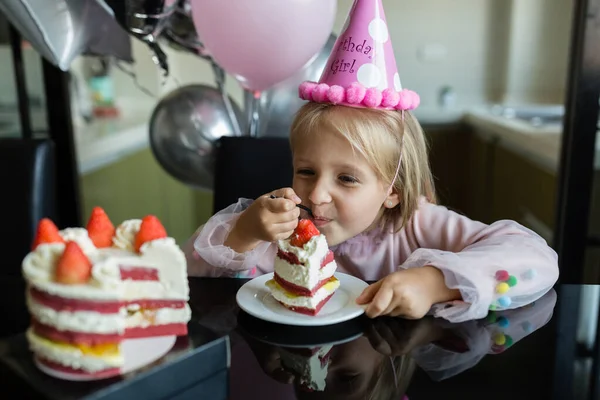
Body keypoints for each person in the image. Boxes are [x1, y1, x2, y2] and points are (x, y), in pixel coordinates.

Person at [182, 0, 559, 323]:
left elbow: (536, 258)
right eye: (306, 171)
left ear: (391, 190)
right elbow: (189, 270)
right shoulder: (281, 228)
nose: (317, 195)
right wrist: (244, 233)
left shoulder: (416, 226)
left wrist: (434, 282)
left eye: (346, 178)